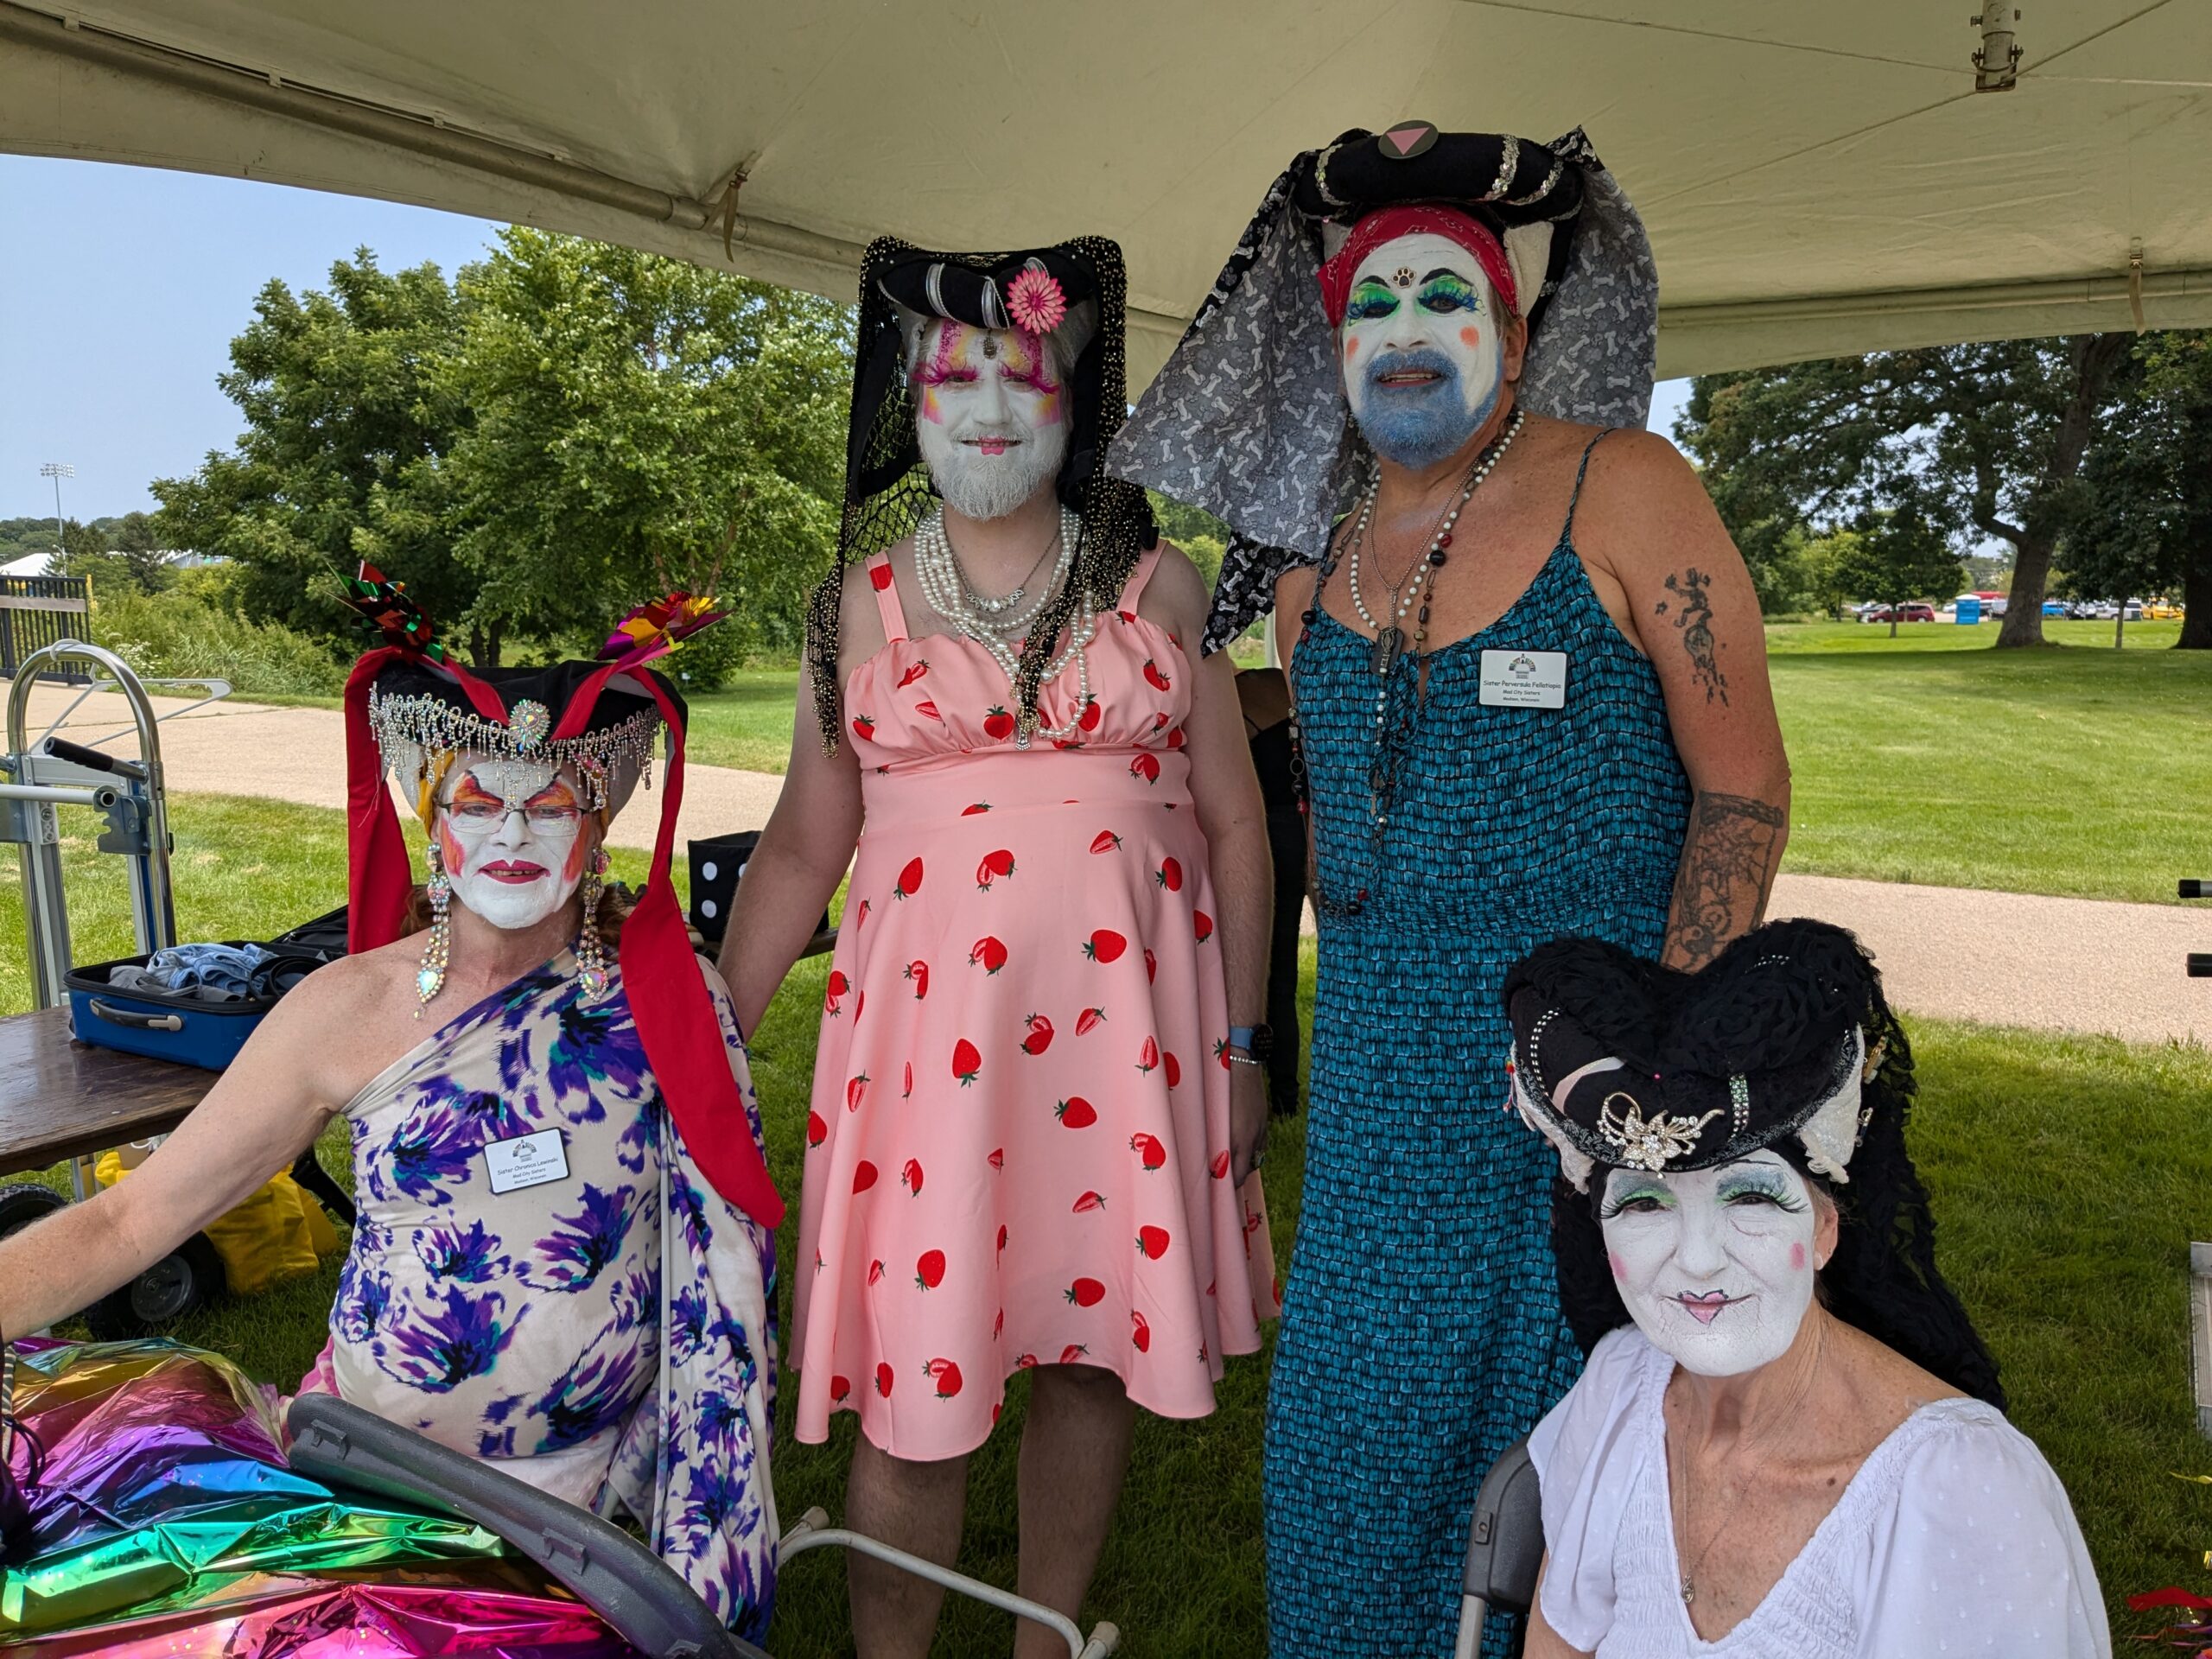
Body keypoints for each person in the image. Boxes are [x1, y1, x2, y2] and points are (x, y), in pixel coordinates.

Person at [1111, 124, 1793, 1654]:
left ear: (1523, 326)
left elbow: (1744, 785)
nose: (1405, 334)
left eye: (1445, 295)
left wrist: (1670, 1062)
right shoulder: (1306, 563)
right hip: (1373, 1116)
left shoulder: (1625, 491)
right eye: (1371, 305)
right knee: (1354, 1456)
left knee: (1585, 1471)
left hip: (1594, 1093)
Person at [0, 577, 785, 1639]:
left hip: (573, 1517)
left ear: (597, 821)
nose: (512, 831)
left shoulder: (669, 1007)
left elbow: (717, 1285)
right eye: (476, 801)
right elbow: (131, 1220)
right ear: (430, 815)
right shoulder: (344, 1007)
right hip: (360, 1472)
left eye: (548, 803)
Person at [719, 237, 1279, 1657]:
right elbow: (801, 844)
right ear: (908, 395)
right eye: (950, 370)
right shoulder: (854, 604)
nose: (982, 402)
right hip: (929, 1074)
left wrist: (1247, 1045)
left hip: (1123, 1058)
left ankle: (1044, 1642)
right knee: (919, 1375)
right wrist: (707, 1039)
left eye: (1018, 372)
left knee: (1090, 1361)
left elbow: (1235, 826)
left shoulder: (1168, 587)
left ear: (1077, 397)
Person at [1504, 918, 2110, 1657]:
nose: (1696, 1262)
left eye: (1751, 1198)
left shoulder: (1959, 1496)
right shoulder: (1621, 1392)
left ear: (1826, 1228)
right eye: (1642, 1202)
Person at [1236, 665, 1306, 1116]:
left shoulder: (1237, 693)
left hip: (1260, 835)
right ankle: (1283, 1094)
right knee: (1280, 972)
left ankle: (1273, 1091)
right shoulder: (1287, 685)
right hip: (1298, 832)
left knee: (1260, 968)